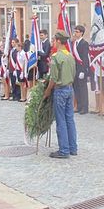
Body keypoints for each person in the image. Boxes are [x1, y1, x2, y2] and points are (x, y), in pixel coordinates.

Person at [43, 31, 77, 159]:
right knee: (70, 119)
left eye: (53, 40)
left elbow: (53, 78)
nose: (53, 42)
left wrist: (47, 91)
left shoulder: (56, 57)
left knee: (61, 120)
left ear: (58, 41)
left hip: (60, 90)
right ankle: (73, 148)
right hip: (69, 89)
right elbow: (73, 73)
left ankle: (64, 150)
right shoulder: (70, 56)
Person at [71, 25, 90, 114]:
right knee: (76, 88)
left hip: (81, 69)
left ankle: (84, 107)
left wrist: (83, 71)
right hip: (75, 69)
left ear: (81, 33)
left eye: (77, 31)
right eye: (75, 31)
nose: (75, 33)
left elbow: (85, 58)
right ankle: (79, 106)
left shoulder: (84, 43)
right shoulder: (74, 43)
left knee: (83, 89)